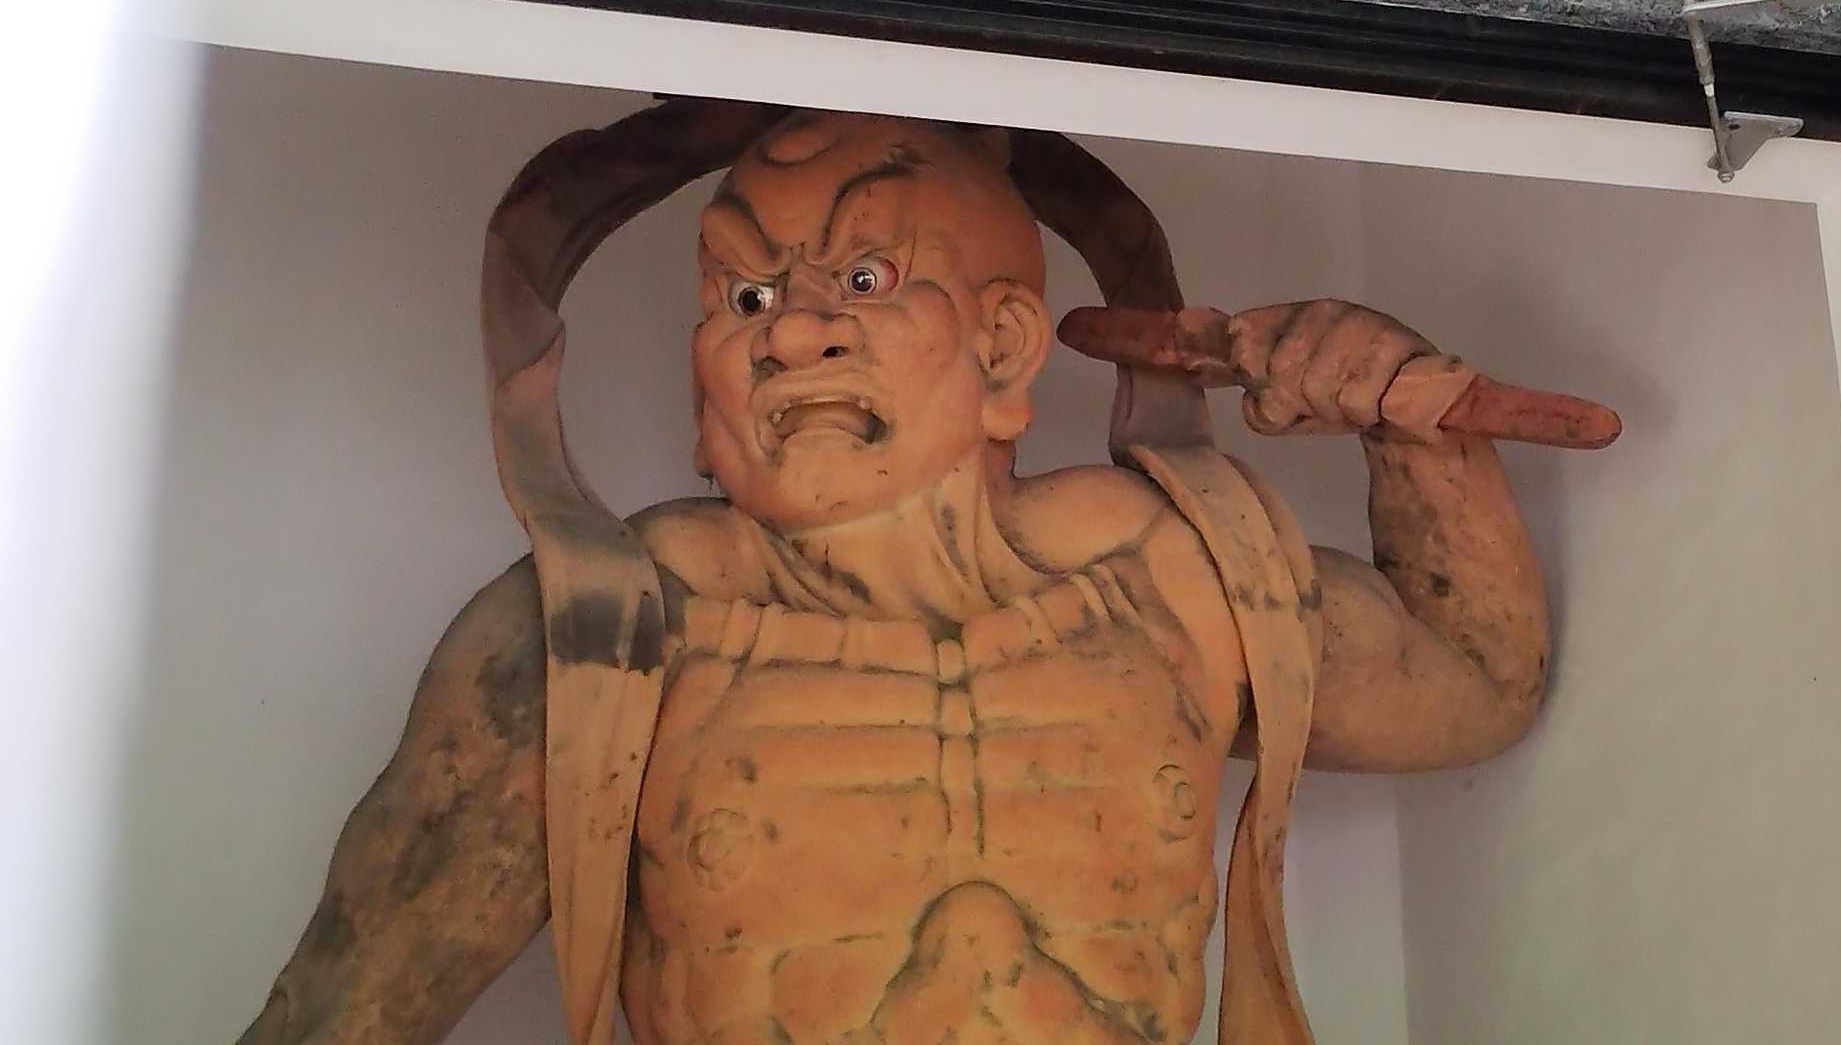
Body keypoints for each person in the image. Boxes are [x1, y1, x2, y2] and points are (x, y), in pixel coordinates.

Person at [240, 105, 1549, 1045]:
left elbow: (1476, 684)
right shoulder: (606, 632)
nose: (791, 332)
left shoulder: (1175, 575)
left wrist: (1412, 425)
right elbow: (349, 1012)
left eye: (863, 277)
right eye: (744, 298)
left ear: (1005, 345)